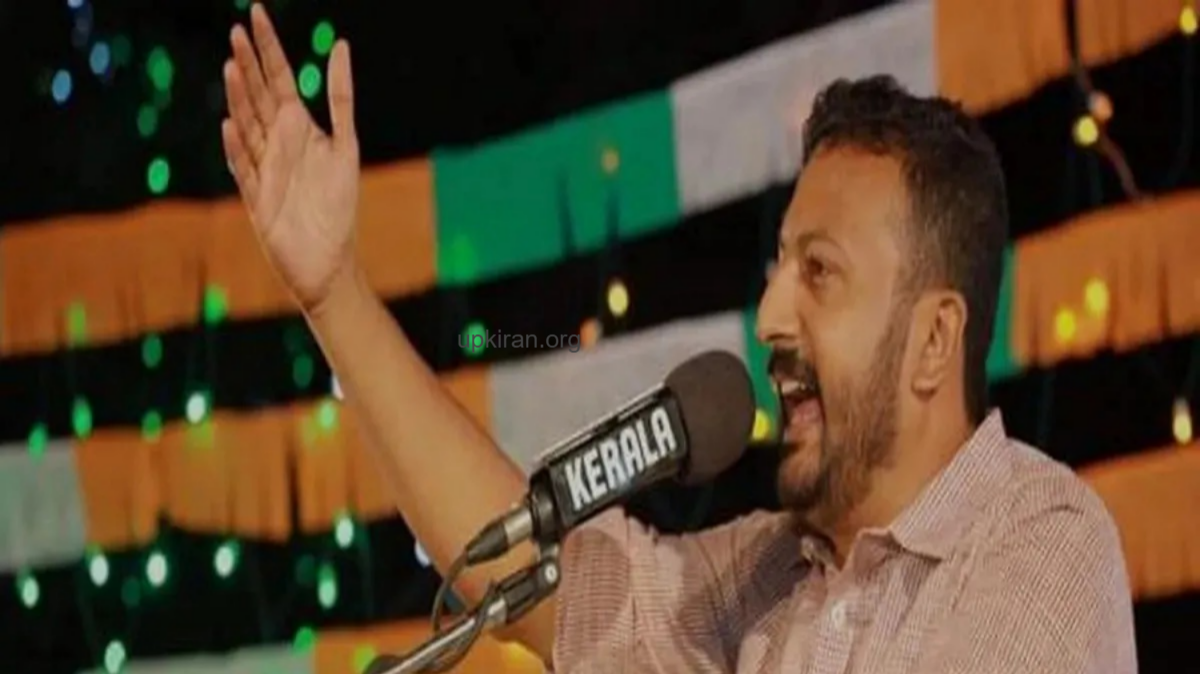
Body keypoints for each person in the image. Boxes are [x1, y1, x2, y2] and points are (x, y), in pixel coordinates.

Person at [221, 5, 1138, 673]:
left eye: (820, 272)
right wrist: (334, 292)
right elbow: (530, 581)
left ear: (936, 340)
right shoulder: (766, 572)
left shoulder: (1041, 541)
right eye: (778, 268)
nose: (770, 316)